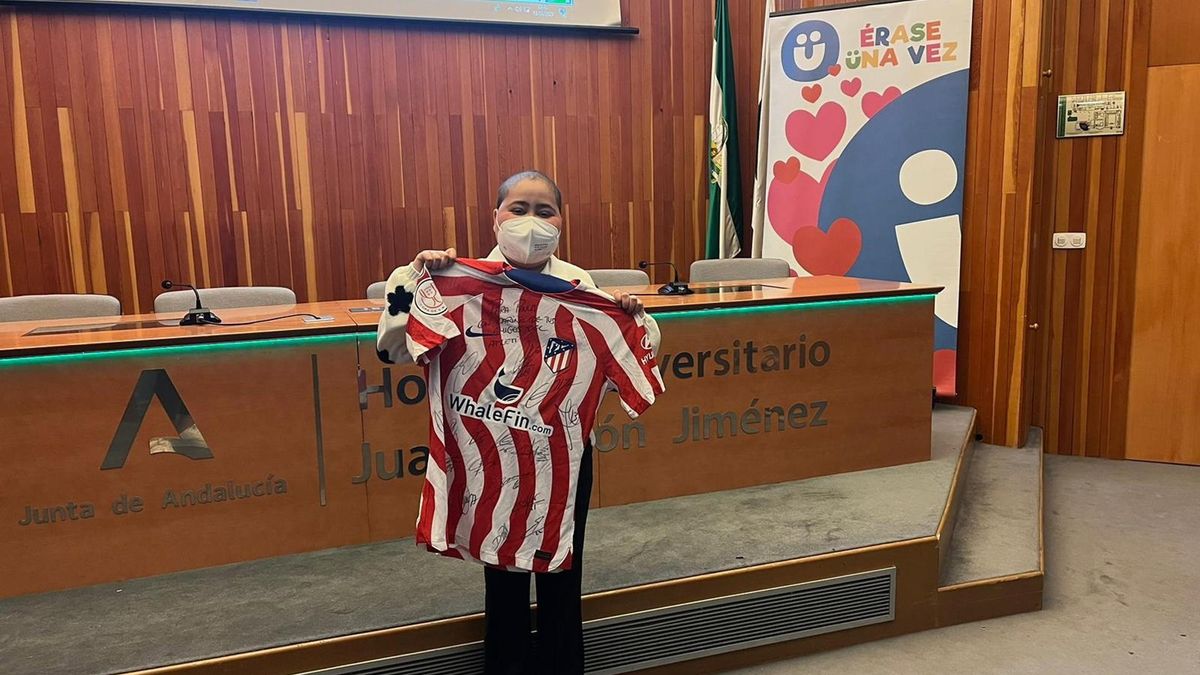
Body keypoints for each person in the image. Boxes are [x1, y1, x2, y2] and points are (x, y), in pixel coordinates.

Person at [377, 170, 660, 674]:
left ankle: (561, 662)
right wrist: (417, 278)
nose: (531, 221)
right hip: (488, 445)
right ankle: (504, 663)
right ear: (496, 217)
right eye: (519, 208)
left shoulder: (579, 285)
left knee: (562, 564)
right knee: (501, 563)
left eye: (544, 210)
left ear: (561, 221)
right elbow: (394, 347)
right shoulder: (458, 279)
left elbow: (628, 361)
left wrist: (631, 315)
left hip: (563, 452)